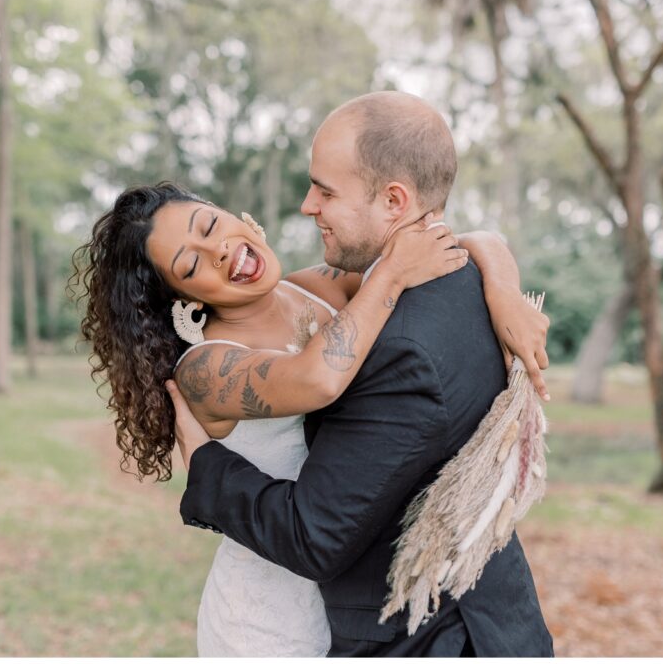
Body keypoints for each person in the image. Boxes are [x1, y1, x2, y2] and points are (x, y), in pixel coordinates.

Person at [168, 91, 554, 657]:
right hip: (480, 614)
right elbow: (477, 240)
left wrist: (204, 462)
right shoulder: (449, 282)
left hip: (429, 634)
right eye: (189, 262)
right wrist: (494, 280)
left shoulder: (399, 348)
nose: (307, 205)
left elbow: (315, 536)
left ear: (395, 200)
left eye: (325, 190)